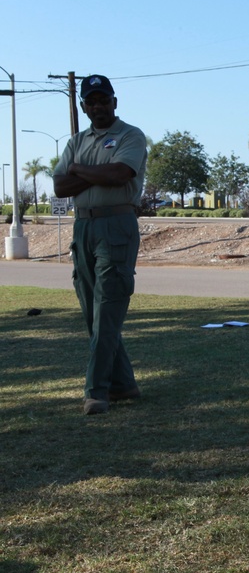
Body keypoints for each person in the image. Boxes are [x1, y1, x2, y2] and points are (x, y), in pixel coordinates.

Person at [52, 75, 147, 416]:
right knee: (93, 312)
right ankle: (123, 384)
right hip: (82, 227)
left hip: (116, 224)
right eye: (91, 102)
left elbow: (119, 174)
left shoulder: (130, 135)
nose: (98, 107)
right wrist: (89, 170)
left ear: (114, 102)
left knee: (107, 309)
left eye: (103, 100)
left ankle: (97, 391)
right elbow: (61, 186)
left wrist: (79, 169)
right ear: (83, 106)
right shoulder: (77, 140)